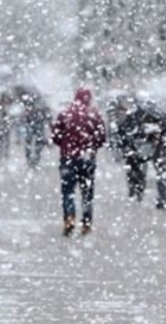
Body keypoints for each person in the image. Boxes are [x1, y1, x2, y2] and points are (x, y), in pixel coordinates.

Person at [51, 87, 107, 236]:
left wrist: (66, 146)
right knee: (87, 192)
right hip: (87, 159)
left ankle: (69, 218)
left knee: (68, 191)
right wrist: (91, 147)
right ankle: (86, 223)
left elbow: (56, 136)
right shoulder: (94, 115)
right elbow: (101, 138)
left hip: (68, 158)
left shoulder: (65, 113)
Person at [117, 97, 166, 209]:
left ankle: (138, 189)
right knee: (159, 172)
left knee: (138, 169)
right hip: (150, 148)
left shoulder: (136, 116)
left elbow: (123, 131)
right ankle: (160, 197)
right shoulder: (159, 116)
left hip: (142, 148)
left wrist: (126, 144)